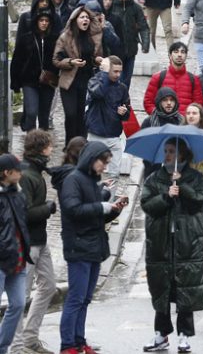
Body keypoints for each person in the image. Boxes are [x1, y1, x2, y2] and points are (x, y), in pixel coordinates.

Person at [139, 139, 203, 353]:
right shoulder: (155, 178)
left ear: (183, 156)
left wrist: (184, 188)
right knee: (161, 291)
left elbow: (200, 201)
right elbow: (147, 204)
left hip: (187, 243)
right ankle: (161, 334)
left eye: (172, 152)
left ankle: (184, 335)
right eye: (166, 151)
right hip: (161, 244)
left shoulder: (195, 178)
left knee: (185, 291)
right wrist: (166, 196)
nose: (168, 155)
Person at [57, 141, 127, 354]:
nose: (105, 167)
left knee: (85, 298)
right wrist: (102, 205)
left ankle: (79, 340)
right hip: (78, 247)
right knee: (76, 298)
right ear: (91, 159)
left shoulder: (91, 181)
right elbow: (72, 209)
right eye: (103, 162)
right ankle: (67, 344)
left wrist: (114, 209)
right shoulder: (73, 180)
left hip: (93, 246)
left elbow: (97, 215)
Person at [11, 131, 58, 354]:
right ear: (41, 148)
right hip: (28, 244)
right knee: (21, 296)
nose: (52, 149)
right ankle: (18, 345)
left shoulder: (36, 171)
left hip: (41, 240)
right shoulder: (28, 175)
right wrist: (48, 208)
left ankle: (30, 337)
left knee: (48, 285)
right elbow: (25, 212)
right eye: (49, 146)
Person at [53, 7, 104, 144]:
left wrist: (98, 60)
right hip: (69, 82)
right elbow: (56, 60)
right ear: (75, 20)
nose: (85, 20)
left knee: (82, 115)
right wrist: (71, 62)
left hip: (86, 81)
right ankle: (69, 144)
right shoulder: (65, 37)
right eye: (82, 17)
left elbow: (97, 56)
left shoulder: (93, 37)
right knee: (71, 114)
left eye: (87, 17)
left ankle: (81, 144)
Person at [84, 56, 131, 193]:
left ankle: (110, 204)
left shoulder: (122, 88)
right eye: (114, 71)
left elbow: (127, 111)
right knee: (93, 172)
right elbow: (98, 93)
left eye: (120, 72)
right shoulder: (94, 81)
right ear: (106, 70)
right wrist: (104, 74)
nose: (118, 75)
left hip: (114, 136)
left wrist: (124, 112)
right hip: (95, 135)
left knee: (114, 174)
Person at [0, 153, 30, 354]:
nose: (21, 173)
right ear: (6, 173)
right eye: (17, 170)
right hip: (2, 260)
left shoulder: (18, 194)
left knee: (19, 304)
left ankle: (2, 346)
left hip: (18, 260)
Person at [10, 7, 57, 132]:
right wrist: (15, 83)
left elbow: (58, 59)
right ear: (36, 21)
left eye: (46, 21)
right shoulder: (26, 39)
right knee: (31, 112)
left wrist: (55, 75)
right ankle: (31, 141)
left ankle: (42, 145)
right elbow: (16, 61)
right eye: (41, 20)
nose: (44, 23)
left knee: (44, 117)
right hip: (29, 81)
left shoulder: (54, 39)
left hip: (48, 82)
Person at [142, 42, 203, 116]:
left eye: (183, 52)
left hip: (185, 123)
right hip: (163, 124)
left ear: (186, 56)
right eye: (176, 52)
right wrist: (159, 117)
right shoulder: (158, 77)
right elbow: (148, 102)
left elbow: (198, 104)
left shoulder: (194, 79)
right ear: (170, 56)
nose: (179, 55)